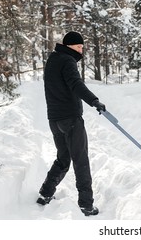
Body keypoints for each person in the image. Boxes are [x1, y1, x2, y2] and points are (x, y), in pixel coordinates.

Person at [36, 31, 106, 216]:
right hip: (71, 119)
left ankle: (45, 193)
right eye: (78, 47)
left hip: (55, 119)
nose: (81, 50)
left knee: (63, 159)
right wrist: (94, 101)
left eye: (82, 47)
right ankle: (86, 205)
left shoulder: (53, 60)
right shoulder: (67, 61)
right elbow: (76, 84)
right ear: (69, 46)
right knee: (80, 160)